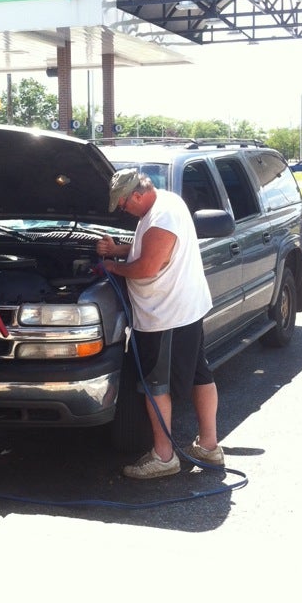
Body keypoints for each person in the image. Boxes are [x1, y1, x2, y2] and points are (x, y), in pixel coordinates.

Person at [95, 168, 224, 479]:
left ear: (138, 195)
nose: (123, 211)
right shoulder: (164, 203)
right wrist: (119, 250)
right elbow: (152, 249)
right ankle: (209, 446)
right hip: (184, 310)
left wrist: (111, 266)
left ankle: (164, 456)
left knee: (156, 385)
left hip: (165, 316)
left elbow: (147, 267)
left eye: (124, 204)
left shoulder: (162, 217)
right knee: (199, 373)